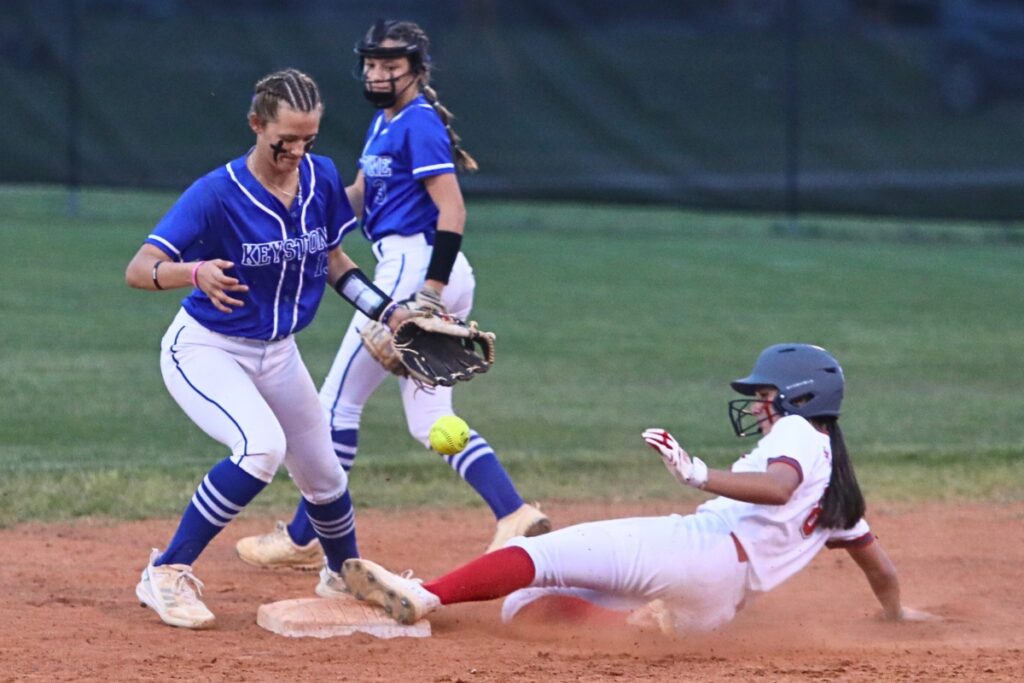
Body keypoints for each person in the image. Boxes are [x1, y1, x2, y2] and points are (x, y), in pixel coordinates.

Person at [234, 19, 549, 571]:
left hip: (416, 270)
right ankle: (515, 514)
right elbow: (359, 196)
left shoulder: (418, 124)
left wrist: (429, 291)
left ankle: (307, 537)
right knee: (430, 421)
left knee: (335, 404)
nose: (377, 74)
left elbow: (452, 208)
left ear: (417, 70)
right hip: (416, 267)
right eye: (371, 64)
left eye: (390, 66)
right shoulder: (386, 123)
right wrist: (309, 223)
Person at [337, 344, 935, 632]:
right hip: (719, 604)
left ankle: (427, 597)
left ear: (802, 399)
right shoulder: (840, 491)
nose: (757, 403)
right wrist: (895, 613)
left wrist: (698, 474)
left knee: (539, 555)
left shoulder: (803, 434)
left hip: (698, 548)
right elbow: (878, 568)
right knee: (524, 610)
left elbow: (778, 489)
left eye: (765, 394)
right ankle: (646, 623)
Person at [124, 68, 423, 629]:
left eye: (308, 139)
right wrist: (192, 271)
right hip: (208, 349)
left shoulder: (321, 178)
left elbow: (335, 262)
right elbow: (139, 269)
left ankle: (340, 574)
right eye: (284, 139)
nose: (296, 151)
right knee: (260, 449)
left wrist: (389, 310)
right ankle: (165, 571)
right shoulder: (217, 193)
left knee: (326, 477)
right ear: (256, 124)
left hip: (278, 353)